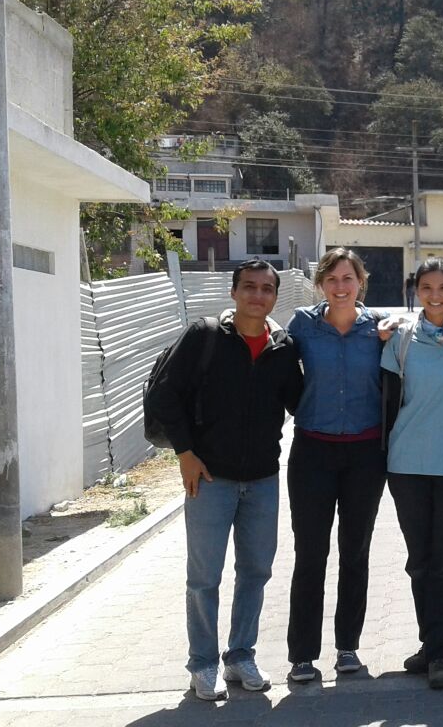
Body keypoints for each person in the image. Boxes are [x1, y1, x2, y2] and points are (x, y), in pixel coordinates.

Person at [144, 259, 303, 700]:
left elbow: (298, 402)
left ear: (274, 296)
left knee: (255, 571)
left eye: (266, 289)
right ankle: (202, 664)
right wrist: (185, 453)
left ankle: (240, 656)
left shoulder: (284, 347)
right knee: (204, 577)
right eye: (249, 287)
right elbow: (164, 394)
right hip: (210, 478)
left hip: (264, 479)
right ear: (234, 292)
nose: (257, 296)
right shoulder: (206, 336)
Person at [284, 248, 390, 683]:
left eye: (348, 278)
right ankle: (302, 655)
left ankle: (348, 647)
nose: (341, 287)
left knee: (355, 552)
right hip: (312, 453)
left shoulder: (380, 328)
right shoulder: (302, 326)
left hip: (366, 455)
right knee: (310, 554)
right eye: (332, 280)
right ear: (320, 284)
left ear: (360, 282)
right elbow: (283, 377)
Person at [381, 256, 443, 690]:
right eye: (426, 288)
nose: (435, 296)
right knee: (420, 561)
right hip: (407, 464)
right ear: (415, 291)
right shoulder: (399, 337)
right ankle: (432, 645)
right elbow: (385, 401)